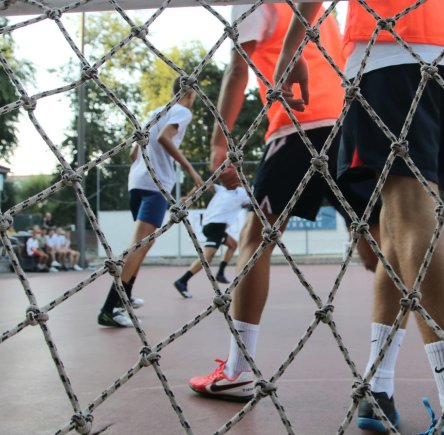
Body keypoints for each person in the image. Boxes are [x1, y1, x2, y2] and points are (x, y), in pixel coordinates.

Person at [275, 1, 444, 433]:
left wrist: (293, 48)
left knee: (409, 212)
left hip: (392, 44)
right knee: (396, 221)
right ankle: (378, 387)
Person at [188, 2, 382, 402]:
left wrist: (219, 142)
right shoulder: (319, 7)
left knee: (255, 239)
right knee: (378, 248)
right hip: (347, 123)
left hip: (297, 124)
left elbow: (238, 69)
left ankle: (238, 370)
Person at [97, 77, 202, 328]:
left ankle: (125, 296)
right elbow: (165, 138)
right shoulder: (182, 111)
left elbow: (134, 152)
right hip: (155, 186)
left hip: (137, 183)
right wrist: (190, 170)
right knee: (139, 245)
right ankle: (109, 309)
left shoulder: (155, 112)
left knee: (145, 244)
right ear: (190, 94)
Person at [173, 183, 250, 298]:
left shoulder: (240, 193)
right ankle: (182, 281)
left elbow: (249, 203)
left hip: (216, 227)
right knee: (207, 257)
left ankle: (220, 273)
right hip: (215, 226)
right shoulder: (223, 189)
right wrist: (188, 197)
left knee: (233, 245)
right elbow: (201, 184)